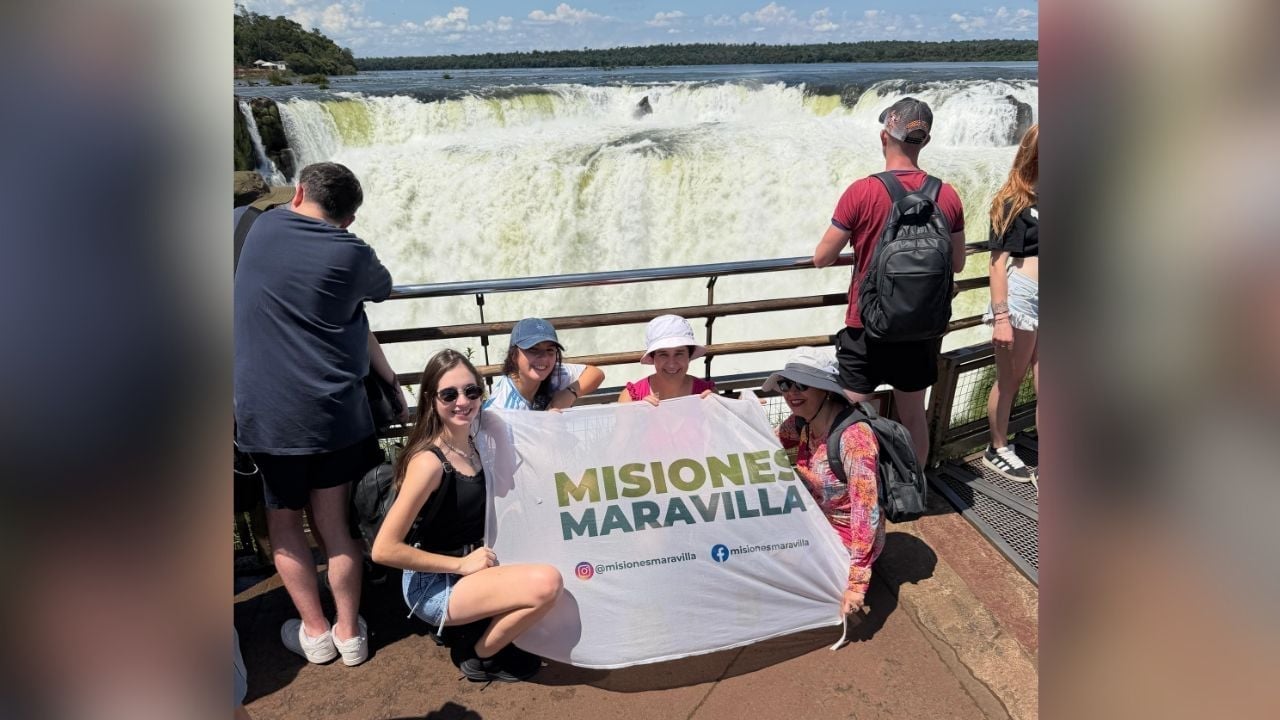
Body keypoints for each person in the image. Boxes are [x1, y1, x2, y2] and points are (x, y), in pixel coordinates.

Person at [234, 162, 401, 667]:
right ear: (349, 217)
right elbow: (383, 287)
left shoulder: (252, 224)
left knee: (284, 525)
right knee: (335, 528)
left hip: (268, 417)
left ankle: (314, 632)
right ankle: (351, 634)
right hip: (336, 415)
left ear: (300, 190)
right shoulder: (351, 252)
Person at [372, 349, 564, 683]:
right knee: (548, 584)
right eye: (449, 394)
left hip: (473, 563)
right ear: (432, 399)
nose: (463, 401)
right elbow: (384, 550)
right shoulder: (428, 463)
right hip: (436, 585)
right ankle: (480, 654)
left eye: (471, 391)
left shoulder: (476, 439)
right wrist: (460, 566)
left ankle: (476, 627)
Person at [813, 97, 967, 466]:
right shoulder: (946, 194)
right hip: (920, 326)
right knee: (913, 415)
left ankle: (859, 495)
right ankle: (914, 489)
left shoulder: (861, 192)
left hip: (865, 324)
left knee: (853, 418)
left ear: (885, 137)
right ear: (924, 142)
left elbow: (822, 258)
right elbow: (958, 263)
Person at [766, 347, 884, 617]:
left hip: (846, 538)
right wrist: (718, 410)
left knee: (786, 583)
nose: (790, 393)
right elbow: (763, 439)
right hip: (815, 522)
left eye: (802, 385)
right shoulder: (801, 422)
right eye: (785, 384)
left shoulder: (855, 440)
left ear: (825, 390)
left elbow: (867, 513)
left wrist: (856, 585)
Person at [982, 124, 1039, 484]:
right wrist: (1001, 317)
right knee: (1010, 378)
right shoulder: (1012, 199)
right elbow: (996, 264)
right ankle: (998, 447)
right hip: (1022, 300)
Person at [484, 317, 604, 411]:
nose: (544, 357)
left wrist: (568, 394)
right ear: (514, 355)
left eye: (550, 350)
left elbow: (596, 373)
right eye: (533, 349)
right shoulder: (503, 409)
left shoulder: (554, 373)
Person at [618, 314, 716, 405]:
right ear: (653, 357)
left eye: (679, 354)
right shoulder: (630, 399)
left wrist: (714, 413)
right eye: (663, 354)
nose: (671, 364)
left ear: (689, 356)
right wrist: (639, 417)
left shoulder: (710, 397)